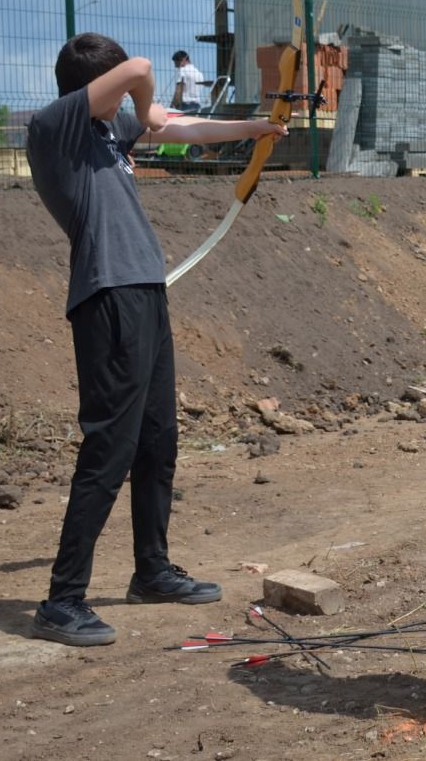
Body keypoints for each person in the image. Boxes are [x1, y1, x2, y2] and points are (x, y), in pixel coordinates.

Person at [26, 33, 286, 646]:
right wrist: (143, 105)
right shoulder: (54, 127)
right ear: (99, 84)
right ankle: (61, 601)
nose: (134, 103)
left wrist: (258, 128)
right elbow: (145, 78)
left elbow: (179, 126)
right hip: (108, 296)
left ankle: (152, 570)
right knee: (108, 449)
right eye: (120, 89)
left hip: (144, 290)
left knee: (156, 440)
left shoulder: (107, 135)